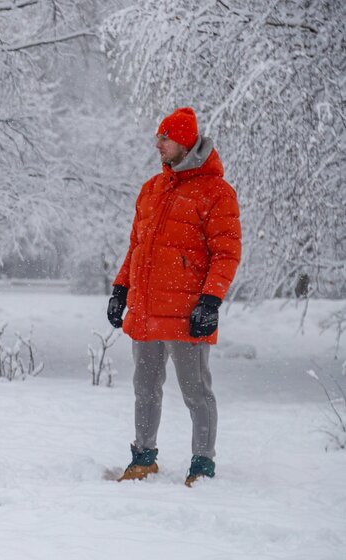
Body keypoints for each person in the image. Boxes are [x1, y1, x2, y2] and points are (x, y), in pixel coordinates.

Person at [108, 107, 241, 487]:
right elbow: (136, 246)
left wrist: (210, 301)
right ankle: (143, 458)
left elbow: (227, 253)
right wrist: (121, 289)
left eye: (164, 138)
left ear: (184, 142)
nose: (158, 144)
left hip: (187, 312)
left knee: (196, 392)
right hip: (147, 310)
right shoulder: (151, 189)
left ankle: (202, 465)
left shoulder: (217, 192)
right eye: (158, 137)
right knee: (144, 388)